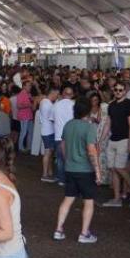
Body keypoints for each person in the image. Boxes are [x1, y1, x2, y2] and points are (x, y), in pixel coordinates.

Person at [53, 98, 101, 243]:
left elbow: (63, 144)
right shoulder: (89, 127)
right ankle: (84, 233)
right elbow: (92, 150)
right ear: (88, 111)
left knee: (68, 199)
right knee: (88, 201)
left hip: (70, 168)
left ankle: (58, 230)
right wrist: (98, 171)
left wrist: (68, 159)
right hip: (85, 170)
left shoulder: (68, 125)